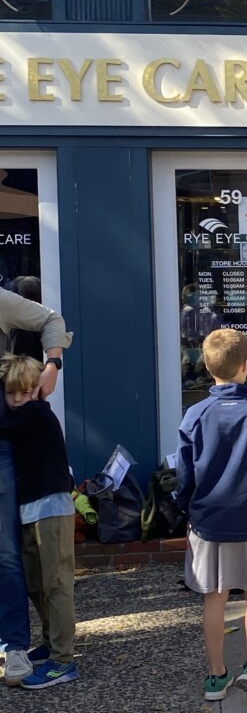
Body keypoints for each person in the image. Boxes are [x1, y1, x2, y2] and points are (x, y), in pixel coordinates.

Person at [175, 328, 247, 706]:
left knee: (214, 596)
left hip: (206, 519)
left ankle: (216, 675)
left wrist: (185, 507)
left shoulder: (195, 414)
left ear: (207, 367)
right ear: (246, 365)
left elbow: (184, 475)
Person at [0, 291, 70, 688]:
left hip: (36, 488)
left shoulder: (32, 415)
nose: (18, 399)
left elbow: (51, 320)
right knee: (31, 569)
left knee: (25, 563)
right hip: (31, 494)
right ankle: (49, 646)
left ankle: (35, 649)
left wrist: (52, 366)